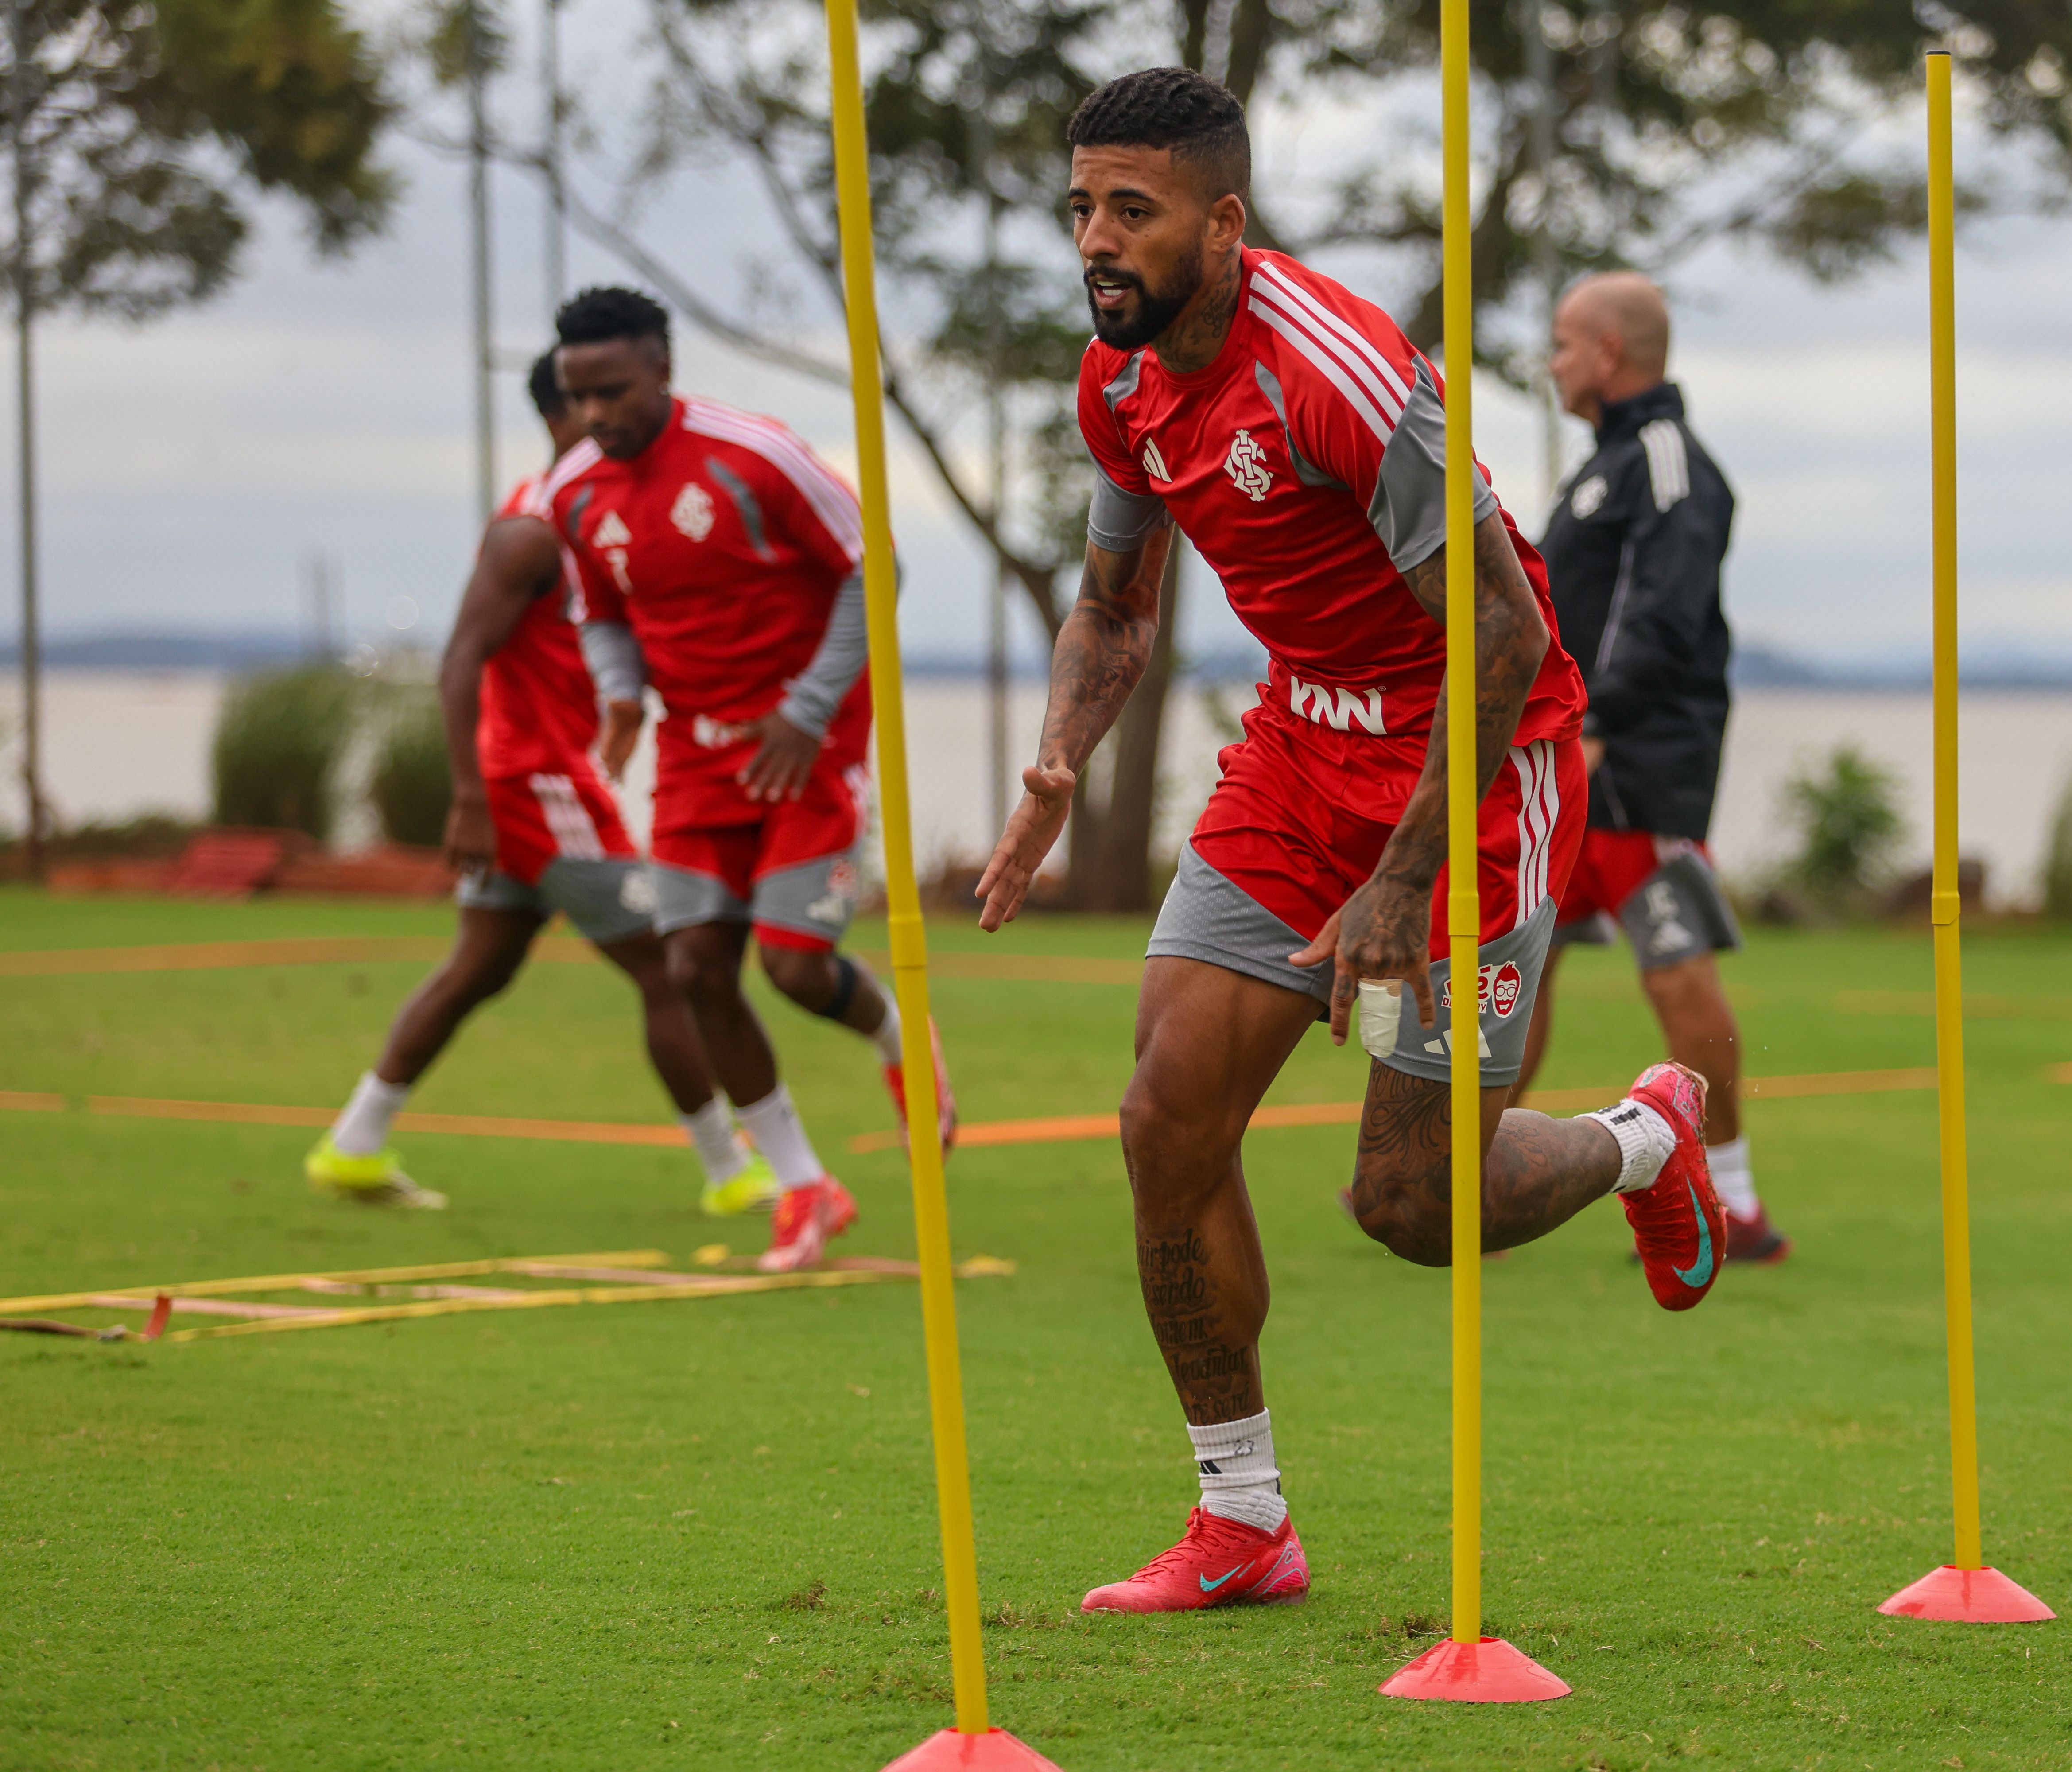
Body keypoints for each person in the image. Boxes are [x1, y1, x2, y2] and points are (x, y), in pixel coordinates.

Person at [974, 69, 1729, 1617]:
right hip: (1298, 751)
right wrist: (1059, 759)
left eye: (1133, 210)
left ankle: (1645, 1139)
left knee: (1414, 1208)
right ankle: (1242, 1519)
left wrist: (1403, 876)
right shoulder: (1118, 383)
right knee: (1165, 1119)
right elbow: (1113, 609)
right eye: (1082, 208)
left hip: (1477, 756)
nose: (1097, 240)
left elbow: (1508, 635)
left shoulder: (1337, 372)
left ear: (1223, 224)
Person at [538, 288, 955, 1273]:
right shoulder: (573, 492)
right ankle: (805, 1186)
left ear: (662, 369)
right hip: (693, 753)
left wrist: (808, 709)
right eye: (578, 396)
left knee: (795, 967)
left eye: (612, 391)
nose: (595, 414)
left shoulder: (754, 454)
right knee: (692, 969)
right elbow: (599, 612)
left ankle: (901, 1038)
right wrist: (621, 697)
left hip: (805, 745)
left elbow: (874, 565)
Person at [307, 353, 773, 1215]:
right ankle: (733, 1171)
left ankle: (355, 1142)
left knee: (478, 968)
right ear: (561, 416)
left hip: (535, 781)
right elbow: (459, 661)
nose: (607, 422)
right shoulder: (531, 530)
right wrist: (469, 796)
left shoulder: (589, 518)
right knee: (670, 967)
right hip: (538, 784)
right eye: (589, 405)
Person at [1514, 272, 1789, 1265]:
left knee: (1675, 975)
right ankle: (1456, 1175)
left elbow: (1662, 615)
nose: (1550, 364)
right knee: (1520, 963)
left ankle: (1735, 1201)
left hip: (1639, 766)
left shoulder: (1670, 463)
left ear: (1609, 353)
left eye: (1561, 344)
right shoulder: (1604, 468)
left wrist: (1598, 722)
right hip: (1569, 759)